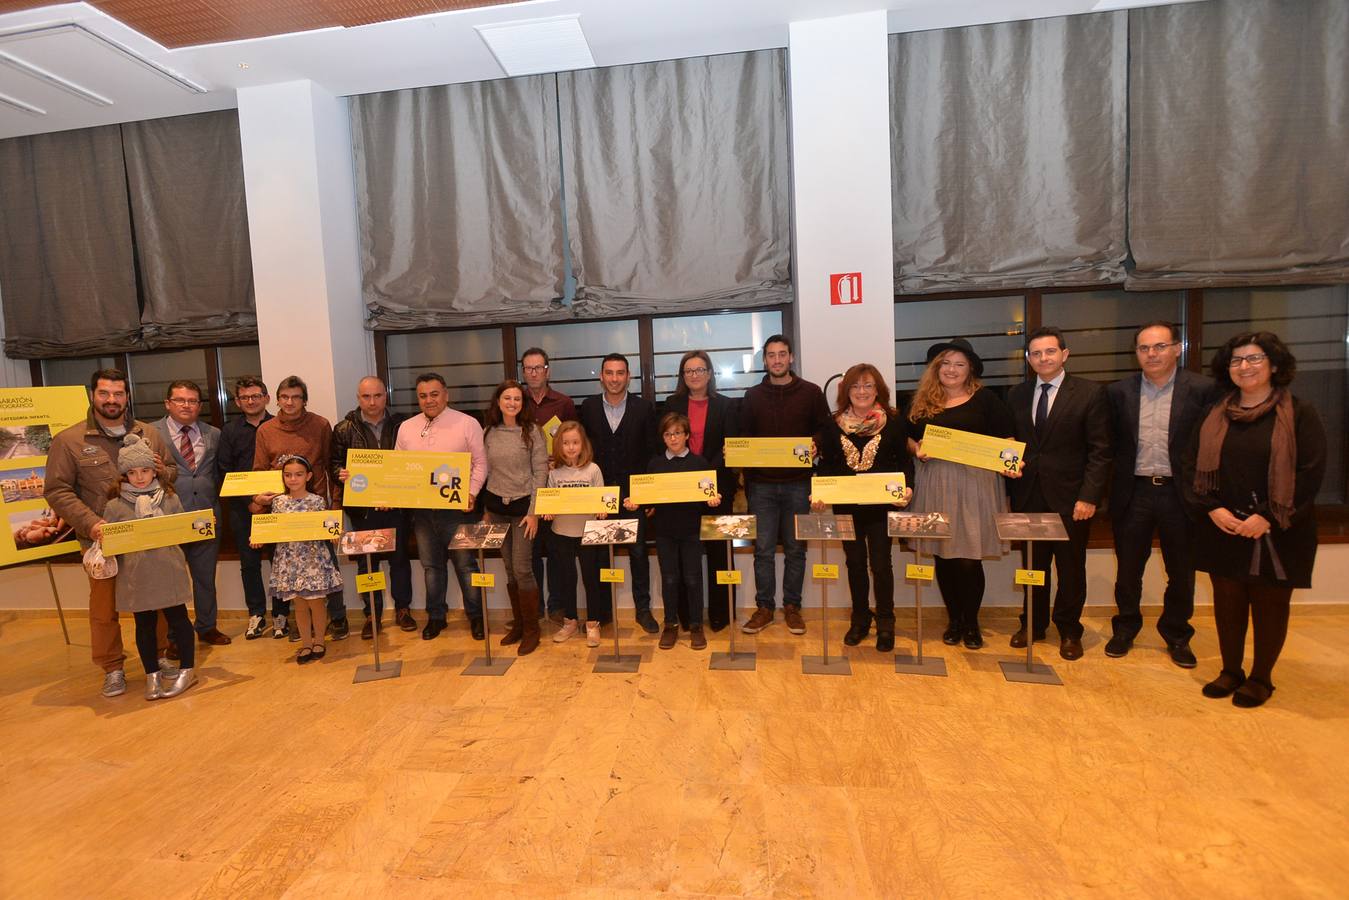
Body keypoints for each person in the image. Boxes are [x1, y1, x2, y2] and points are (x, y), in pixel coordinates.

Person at [1187, 332, 1326, 708]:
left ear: (1275, 365)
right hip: (1223, 524)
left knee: (1269, 603)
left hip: (1279, 528)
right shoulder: (1215, 414)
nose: (1244, 367)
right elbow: (1192, 465)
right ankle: (1231, 670)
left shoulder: (1299, 413)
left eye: (1254, 359)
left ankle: (1262, 677)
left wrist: (1266, 517)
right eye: (1236, 360)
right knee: (1228, 601)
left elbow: (1310, 473)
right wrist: (1212, 508)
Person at [45, 368, 178, 699]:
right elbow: (57, 490)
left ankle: (159, 656)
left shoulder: (149, 433)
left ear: (127, 397)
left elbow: (172, 472)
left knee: (156, 600)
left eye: (118, 394)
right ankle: (113, 668)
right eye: (104, 393)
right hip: (101, 542)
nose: (111, 400)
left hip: (148, 540)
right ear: (93, 395)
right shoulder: (70, 440)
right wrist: (91, 523)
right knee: (104, 609)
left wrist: (163, 469)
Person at [1105, 322, 1219, 668]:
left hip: (1179, 494)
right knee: (1127, 569)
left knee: (1181, 571)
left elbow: (1213, 445)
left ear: (1177, 348)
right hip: (1134, 491)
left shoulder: (1203, 389)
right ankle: (1125, 628)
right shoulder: (1119, 392)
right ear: (1136, 353)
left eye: (1159, 346)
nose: (1151, 354)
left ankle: (1177, 634)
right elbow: (1108, 446)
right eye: (1144, 348)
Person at [1007, 326, 1112, 660]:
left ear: (1064, 354)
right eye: (1036, 353)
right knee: (1033, 568)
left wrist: (1089, 496)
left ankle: (1069, 630)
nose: (1043, 358)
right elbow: (1011, 442)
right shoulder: (1017, 394)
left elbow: (1101, 450)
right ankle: (1033, 624)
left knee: (1070, 570)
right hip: (1029, 497)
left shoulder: (1089, 393)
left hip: (1072, 500)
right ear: (1028, 359)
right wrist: (1008, 464)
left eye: (1050, 352)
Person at [906, 339, 1017, 649]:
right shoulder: (922, 402)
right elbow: (908, 439)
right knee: (943, 556)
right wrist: (918, 449)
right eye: (945, 363)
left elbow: (1007, 438)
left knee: (968, 558)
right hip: (935, 484)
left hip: (975, 485)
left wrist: (1010, 464)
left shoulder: (986, 400)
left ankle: (971, 622)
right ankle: (954, 620)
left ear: (970, 370)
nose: (951, 369)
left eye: (959, 364)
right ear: (936, 368)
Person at [813, 363, 913, 652]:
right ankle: (859, 620)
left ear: (878, 390)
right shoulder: (832, 425)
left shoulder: (893, 421)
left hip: (881, 508)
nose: (861, 391)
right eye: (855, 386)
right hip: (846, 507)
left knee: (881, 565)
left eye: (868, 385)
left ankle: (886, 622)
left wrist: (907, 487)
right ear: (846, 391)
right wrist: (820, 493)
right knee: (854, 564)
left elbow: (903, 462)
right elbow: (828, 465)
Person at [738, 334, 832, 636]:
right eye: (771, 355)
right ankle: (764, 608)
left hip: (798, 485)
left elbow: (824, 430)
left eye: (782, 354)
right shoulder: (752, 396)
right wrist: (737, 454)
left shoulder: (811, 392)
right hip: (761, 487)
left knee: (796, 549)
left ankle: (792, 607)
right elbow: (744, 437)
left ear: (791, 357)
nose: (777, 360)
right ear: (764, 361)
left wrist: (816, 445)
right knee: (762, 550)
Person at [101, 435, 199, 700]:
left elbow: (183, 531)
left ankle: (188, 670)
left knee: (179, 620)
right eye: (132, 472)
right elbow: (112, 543)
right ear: (124, 475)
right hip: (136, 576)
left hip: (169, 570)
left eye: (145, 470)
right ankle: (151, 674)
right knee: (143, 624)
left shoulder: (169, 498)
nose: (140, 477)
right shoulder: (115, 506)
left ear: (154, 470)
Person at [252, 376, 347, 640]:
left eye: (295, 397)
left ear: (304, 400)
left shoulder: (320, 425)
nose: (290, 402)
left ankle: (338, 618)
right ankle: (301, 625)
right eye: (285, 397)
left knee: (327, 568)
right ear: (277, 399)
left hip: (315, 510)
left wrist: (335, 508)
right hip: (281, 512)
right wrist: (260, 519)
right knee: (288, 572)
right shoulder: (265, 430)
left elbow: (331, 466)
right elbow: (259, 472)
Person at [395, 372, 487, 640]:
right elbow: (398, 468)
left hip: (458, 510)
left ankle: (477, 616)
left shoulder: (467, 423)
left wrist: (471, 493)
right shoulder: (406, 427)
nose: (429, 400)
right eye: (423, 395)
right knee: (431, 567)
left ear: (446, 394)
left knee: (466, 565)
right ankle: (436, 617)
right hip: (422, 512)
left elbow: (481, 463)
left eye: (434, 394)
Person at [625, 412, 722, 651]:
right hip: (665, 532)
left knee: (692, 578)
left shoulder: (699, 463)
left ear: (687, 435)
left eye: (677, 433)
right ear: (663, 438)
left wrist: (713, 499)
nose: (673, 438)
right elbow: (647, 499)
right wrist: (636, 502)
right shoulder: (655, 464)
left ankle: (697, 626)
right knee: (669, 579)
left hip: (691, 531)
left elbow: (708, 495)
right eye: (668, 434)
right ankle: (670, 624)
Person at [578, 353, 660, 634]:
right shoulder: (587, 408)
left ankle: (643, 609)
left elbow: (652, 454)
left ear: (628, 376)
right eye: (609, 373)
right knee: (599, 554)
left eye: (620, 373)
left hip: (633, 496)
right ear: (601, 376)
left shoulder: (644, 408)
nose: (614, 378)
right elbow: (581, 453)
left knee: (638, 553)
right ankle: (601, 613)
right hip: (598, 495)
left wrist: (647, 496)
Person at [663, 350, 740, 631]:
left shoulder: (727, 406)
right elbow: (666, 443)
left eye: (699, 369)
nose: (694, 375)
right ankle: (687, 616)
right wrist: (690, 475)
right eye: (688, 371)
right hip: (679, 492)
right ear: (683, 376)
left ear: (709, 373)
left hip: (717, 490)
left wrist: (704, 473)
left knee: (720, 553)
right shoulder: (672, 403)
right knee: (684, 555)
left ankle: (721, 613)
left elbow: (731, 448)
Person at [331, 376, 413, 638]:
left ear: (385, 396)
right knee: (367, 564)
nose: (372, 401)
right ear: (358, 398)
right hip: (362, 510)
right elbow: (333, 464)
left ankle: (403, 609)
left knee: (400, 561)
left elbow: (412, 463)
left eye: (377, 396)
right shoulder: (343, 428)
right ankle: (372, 615)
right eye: (366, 397)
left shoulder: (403, 425)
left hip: (396, 506)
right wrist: (339, 473)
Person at [154, 379, 230, 650]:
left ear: (200, 406)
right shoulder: (151, 433)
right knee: (172, 581)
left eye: (193, 401)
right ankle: (175, 636)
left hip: (206, 517)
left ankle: (207, 627)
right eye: (180, 400)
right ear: (168, 403)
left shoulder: (213, 434)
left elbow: (219, 473)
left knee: (205, 577)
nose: (187, 405)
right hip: (169, 518)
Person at [481, 380, 549, 655]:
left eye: (517, 399)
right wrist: (486, 510)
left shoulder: (533, 432)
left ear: (523, 403)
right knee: (509, 569)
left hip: (524, 512)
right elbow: (485, 472)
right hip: (496, 510)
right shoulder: (488, 432)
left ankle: (533, 630)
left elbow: (540, 474)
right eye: (507, 398)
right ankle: (519, 624)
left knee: (523, 569)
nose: (512, 403)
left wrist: (534, 512)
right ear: (498, 402)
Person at [254, 454, 343, 663]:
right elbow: (271, 529)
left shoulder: (317, 501)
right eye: (288, 475)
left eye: (298, 475)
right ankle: (305, 643)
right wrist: (257, 537)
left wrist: (333, 534)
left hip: (313, 560)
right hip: (289, 560)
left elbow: (327, 527)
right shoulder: (278, 503)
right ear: (282, 477)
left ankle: (319, 640)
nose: (293, 479)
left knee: (316, 603)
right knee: (300, 605)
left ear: (308, 476)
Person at [217, 376, 279, 639]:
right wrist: (250, 503)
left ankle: (281, 614)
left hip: (277, 507)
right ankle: (256, 614)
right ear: (237, 402)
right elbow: (224, 471)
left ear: (266, 398)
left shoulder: (279, 425)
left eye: (256, 396)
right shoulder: (229, 431)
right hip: (244, 510)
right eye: (245, 397)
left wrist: (267, 502)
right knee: (249, 564)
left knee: (280, 561)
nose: (251, 401)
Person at [520, 347, 579, 625]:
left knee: (556, 550)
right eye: (528, 368)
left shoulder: (563, 403)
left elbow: (573, 440)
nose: (534, 373)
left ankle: (556, 606)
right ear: (523, 372)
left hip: (557, 485)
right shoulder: (516, 402)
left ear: (548, 370)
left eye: (538, 368)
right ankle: (534, 610)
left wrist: (560, 461)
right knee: (530, 552)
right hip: (527, 486)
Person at [542, 421, 609, 646]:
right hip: (561, 533)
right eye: (566, 443)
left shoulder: (593, 470)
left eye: (575, 442)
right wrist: (548, 511)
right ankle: (570, 621)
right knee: (567, 580)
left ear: (583, 444)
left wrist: (602, 509)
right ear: (558, 446)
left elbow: (603, 500)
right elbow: (548, 502)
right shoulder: (555, 474)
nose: (571, 447)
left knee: (591, 579)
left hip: (588, 533)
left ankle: (593, 623)